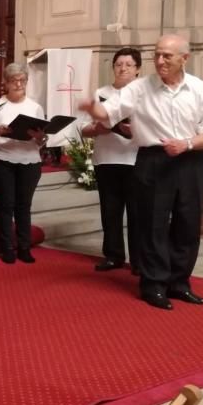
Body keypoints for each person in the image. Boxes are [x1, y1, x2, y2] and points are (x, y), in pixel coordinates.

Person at [80, 34, 203, 310]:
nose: (159, 61)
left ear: (185, 58)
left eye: (167, 56)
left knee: (188, 224)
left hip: (190, 159)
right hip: (152, 160)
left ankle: (179, 283)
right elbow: (108, 111)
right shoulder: (139, 88)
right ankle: (153, 284)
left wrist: (188, 143)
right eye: (156, 55)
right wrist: (92, 109)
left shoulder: (201, 90)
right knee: (152, 224)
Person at [81, 47, 142, 274]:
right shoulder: (101, 94)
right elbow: (84, 129)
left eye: (128, 65)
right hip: (107, 159)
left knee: (137, 213)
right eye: (119, 64)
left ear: (137, 70)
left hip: (135, 160)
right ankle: (114, 255)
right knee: (110, 211)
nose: (123, 68)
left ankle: (139, 260)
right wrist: (98, 128)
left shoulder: (143, 94)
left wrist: (132, 128)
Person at [0, 62, 46, 264]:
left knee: (23, 205)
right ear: (6, 84)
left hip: (29, 161)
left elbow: (42, 141)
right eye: (14, 80)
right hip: (2, 160)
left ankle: (24, 247)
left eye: (22, 80)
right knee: (5, 205)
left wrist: (39, 137)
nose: (18, 84)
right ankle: (7, 247)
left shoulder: (35, 107)